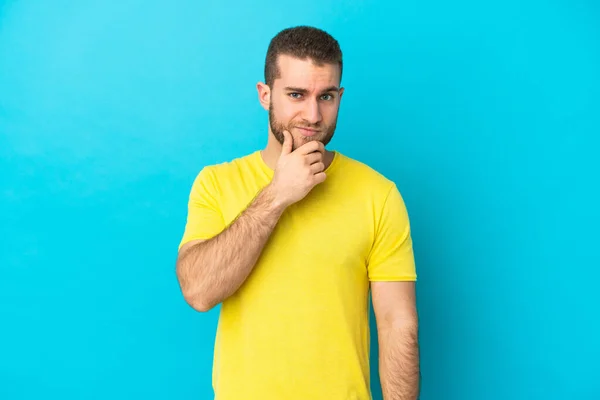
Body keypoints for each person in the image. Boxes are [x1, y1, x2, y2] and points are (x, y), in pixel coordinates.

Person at [175, 25, 420, 400]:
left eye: (326, 97)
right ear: (265, 95)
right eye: (296, 95)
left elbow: (396, 324)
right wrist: (276, 196)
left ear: (340, 96)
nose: (313, 114)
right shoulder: (216, 183)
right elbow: (199, 292)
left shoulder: (378, 195)